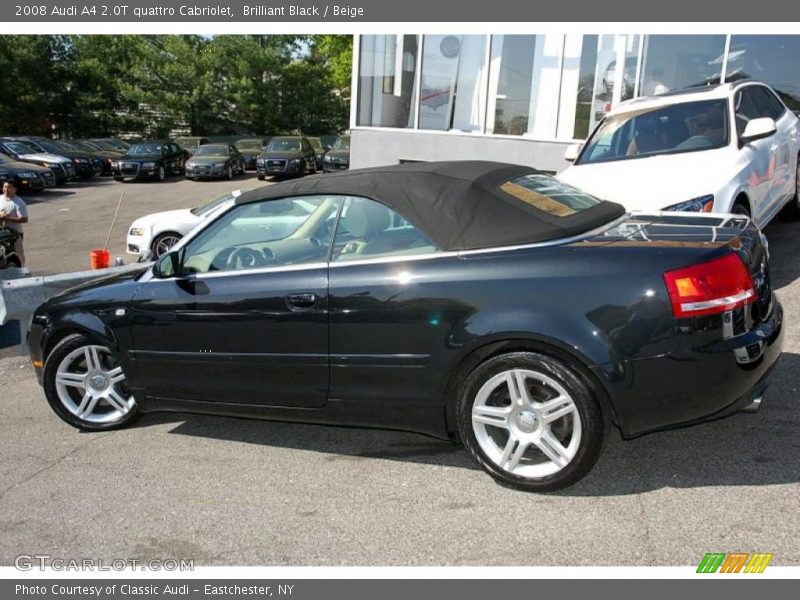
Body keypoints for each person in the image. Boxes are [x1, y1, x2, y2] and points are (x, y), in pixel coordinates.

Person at [0, 180, 28, 266]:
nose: (6, 189)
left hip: (15, 234)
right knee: (3, 255)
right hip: (2, 234)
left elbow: (24, 219)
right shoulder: (0, 198)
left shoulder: (19, 202)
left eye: (9, 187)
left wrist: (7, 218)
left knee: (18, 256)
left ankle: (21, 272)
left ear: (15, 189)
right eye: (5, 187)